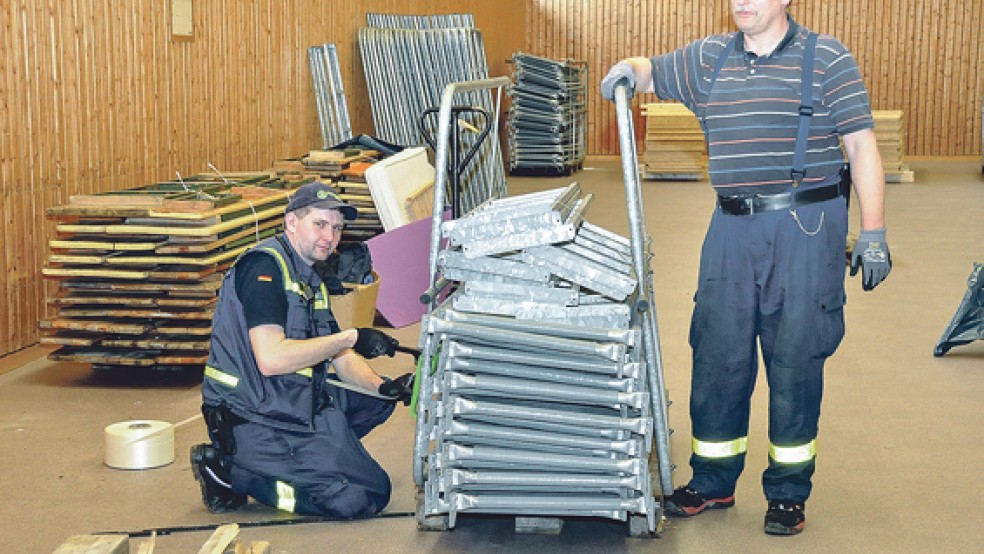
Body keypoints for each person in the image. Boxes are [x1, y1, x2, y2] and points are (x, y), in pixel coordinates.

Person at [601, 0, 891, 536]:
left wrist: (872, 233)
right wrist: (627, 72)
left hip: (804, 228)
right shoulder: (709, 58)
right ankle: (713, 480)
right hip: (731, 229)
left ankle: (787, 492)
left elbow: (860, 145)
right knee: (717, 354)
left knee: (796, 359)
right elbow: (651, 72)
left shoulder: (826, 58)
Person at [191, 180, 415, 518]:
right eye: (320, 224)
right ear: (291, 222)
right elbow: (271, 359)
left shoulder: (310, 279)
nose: (330, 237)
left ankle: (312, 457)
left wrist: (384, 388)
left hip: (284, 398)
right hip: (251, 414)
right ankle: (236, 475)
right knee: (365, 496)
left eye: (337, 228)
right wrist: (351, 337)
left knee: (375, 399)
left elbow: (341, 358)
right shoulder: (264, 269)